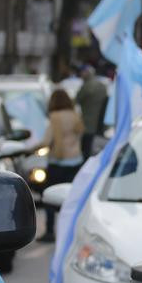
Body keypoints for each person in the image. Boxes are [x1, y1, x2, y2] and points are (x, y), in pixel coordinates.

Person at [37, 89, 85, 241]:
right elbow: (80, 135)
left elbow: (46, 141)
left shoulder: (54, 118)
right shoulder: (75, 116)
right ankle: (74, 230)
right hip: (76, 160)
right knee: (73, 197)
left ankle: (50, 231)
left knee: (51, 196)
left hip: (58, 162)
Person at [74, 65, 108, 159]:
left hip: (88, 123)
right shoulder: (101, 85)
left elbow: (77, 100)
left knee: (86, 149)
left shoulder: (87, 86)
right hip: (99, 123)